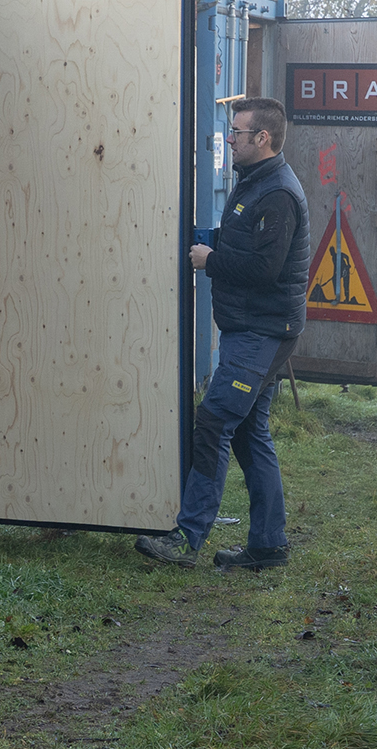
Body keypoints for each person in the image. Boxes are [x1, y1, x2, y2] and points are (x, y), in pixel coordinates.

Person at [135, 97, 312, 570]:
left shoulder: (276, 193)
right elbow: (244, 241)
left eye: (237, 132)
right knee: (249, 431)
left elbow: (265, 268)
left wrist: (209, 261)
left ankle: (187, 537)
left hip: (263, 332)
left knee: (214, 422)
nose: (229, 138)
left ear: (263, 139)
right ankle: (268, 545)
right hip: (250, 329)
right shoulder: (253, 183)